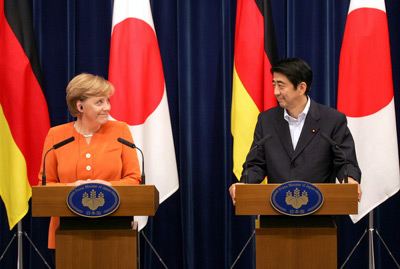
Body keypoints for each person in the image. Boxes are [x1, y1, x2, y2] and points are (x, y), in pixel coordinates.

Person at [229, 57, 362, 205]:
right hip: (276, 210)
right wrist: (246, 184)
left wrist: (350, 180)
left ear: (301, 88)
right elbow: (256, 164)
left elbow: (345, 162)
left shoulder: (332, 120)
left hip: (320, 211)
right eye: (274, 84)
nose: (275, 92)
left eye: (281, 85)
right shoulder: (266, 120)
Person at [38, 73, 141, 249]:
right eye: (99, 102)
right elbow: (45, 186)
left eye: (108, 101)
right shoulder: (57, 135)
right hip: (65, 234)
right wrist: (72, 188)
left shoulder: (120, 131)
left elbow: (134, 179)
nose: (107, 107)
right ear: (80, 106)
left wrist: (108, 186)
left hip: (115, 233)